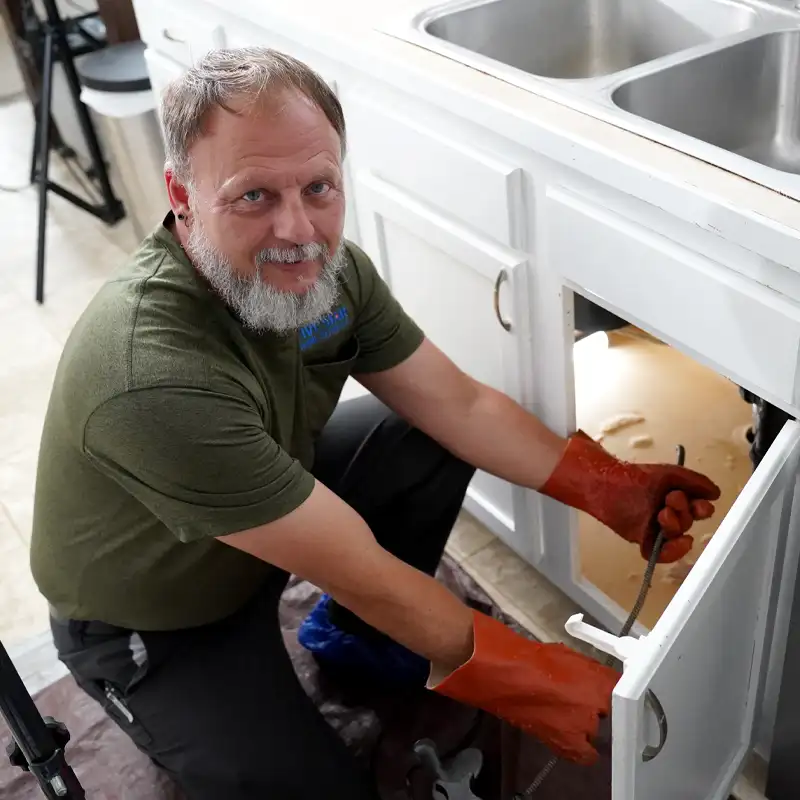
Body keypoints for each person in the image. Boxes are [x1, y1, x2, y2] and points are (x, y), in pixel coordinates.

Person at [30, 47, 721, 799]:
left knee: (425, 435)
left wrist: (605, 485)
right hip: (158, 619)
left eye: (319, 187)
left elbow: (459, 405)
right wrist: (526, 678)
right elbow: (358, 568)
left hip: (263, 511)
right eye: (253, 196)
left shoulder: (330, 272)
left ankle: (359, 642)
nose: (298, 229)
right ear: (181, 194)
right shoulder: (149, 375)